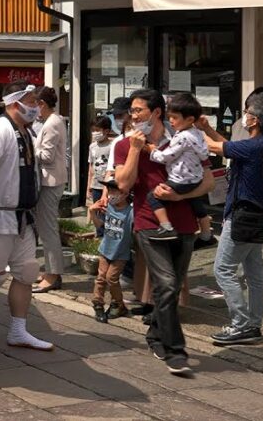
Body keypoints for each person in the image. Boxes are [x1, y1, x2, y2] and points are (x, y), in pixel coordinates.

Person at [114, 89, 213, 375]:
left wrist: (180, 198)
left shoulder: (184, 136)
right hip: (148, 222)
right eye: (131, 112)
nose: (133, 116)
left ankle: (155, 334)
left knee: (170, 285)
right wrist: (134, 149)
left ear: (156, 113)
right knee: (168, 285)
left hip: (183, 223)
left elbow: (208, 182)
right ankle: (175, 351)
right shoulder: (125, 145)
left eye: (137, 110)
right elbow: (123, 184)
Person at [0, 83, 53, 351]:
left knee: (26, 273)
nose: (36, 106)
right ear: (15, 102)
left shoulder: (29, 132)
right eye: (31, 100)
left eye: (37, 101)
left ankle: (18, 330)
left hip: (24, 217)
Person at [201, 91, 263, 346]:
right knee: (254, 272)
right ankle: (253, 324)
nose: (244, 116)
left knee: (223, 269)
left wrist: (195, 126)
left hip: (242, 215)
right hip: (256, 214)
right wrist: (206, 127)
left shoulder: (253, 147)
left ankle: (240, 325)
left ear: (255, 119)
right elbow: (226, 146)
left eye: (247, 113)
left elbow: (215, 147)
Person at [142, 93, 210, 241]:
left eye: (175, 117)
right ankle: (206, 233)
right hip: (195, 178)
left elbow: (167, 157)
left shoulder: (182, 137)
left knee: (153, 197)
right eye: (170, 116)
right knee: (195, 200)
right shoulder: (197, 133)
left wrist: (152, 151)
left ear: (190, 119)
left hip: (181, 179)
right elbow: (205, 154)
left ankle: (166, 226)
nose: (170, 121)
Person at [32, 86, 68, 294]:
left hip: (50, 181)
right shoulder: (53, 121)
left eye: (34, 105)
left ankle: (53, 274)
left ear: (42, 104)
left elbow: (46, 156)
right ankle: (50, 272)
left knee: (48, 230)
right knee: (46, 229)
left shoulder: (52, 123)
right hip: (50, 180)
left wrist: (30, 148)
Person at [89, 177, 133, 323]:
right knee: (101, 278)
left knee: (111, 278)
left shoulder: (130, 212)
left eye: (115, 191)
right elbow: (99, 225)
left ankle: (118, 304)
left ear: (125, 193)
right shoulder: (107, 207)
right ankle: (98, 304)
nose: (111, 194)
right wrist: (92, 212)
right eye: (110, 190)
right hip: (105, 249)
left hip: (120, 253)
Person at [86, 116, 116, 206]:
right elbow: (91, 167)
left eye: (97, 130)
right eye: (93, 130)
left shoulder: (112, 146)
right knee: (97, 209)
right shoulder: (92, 146)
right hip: (95, 185)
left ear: (106, 131)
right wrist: (89, 186)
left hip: (109, 186)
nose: (94, 133)